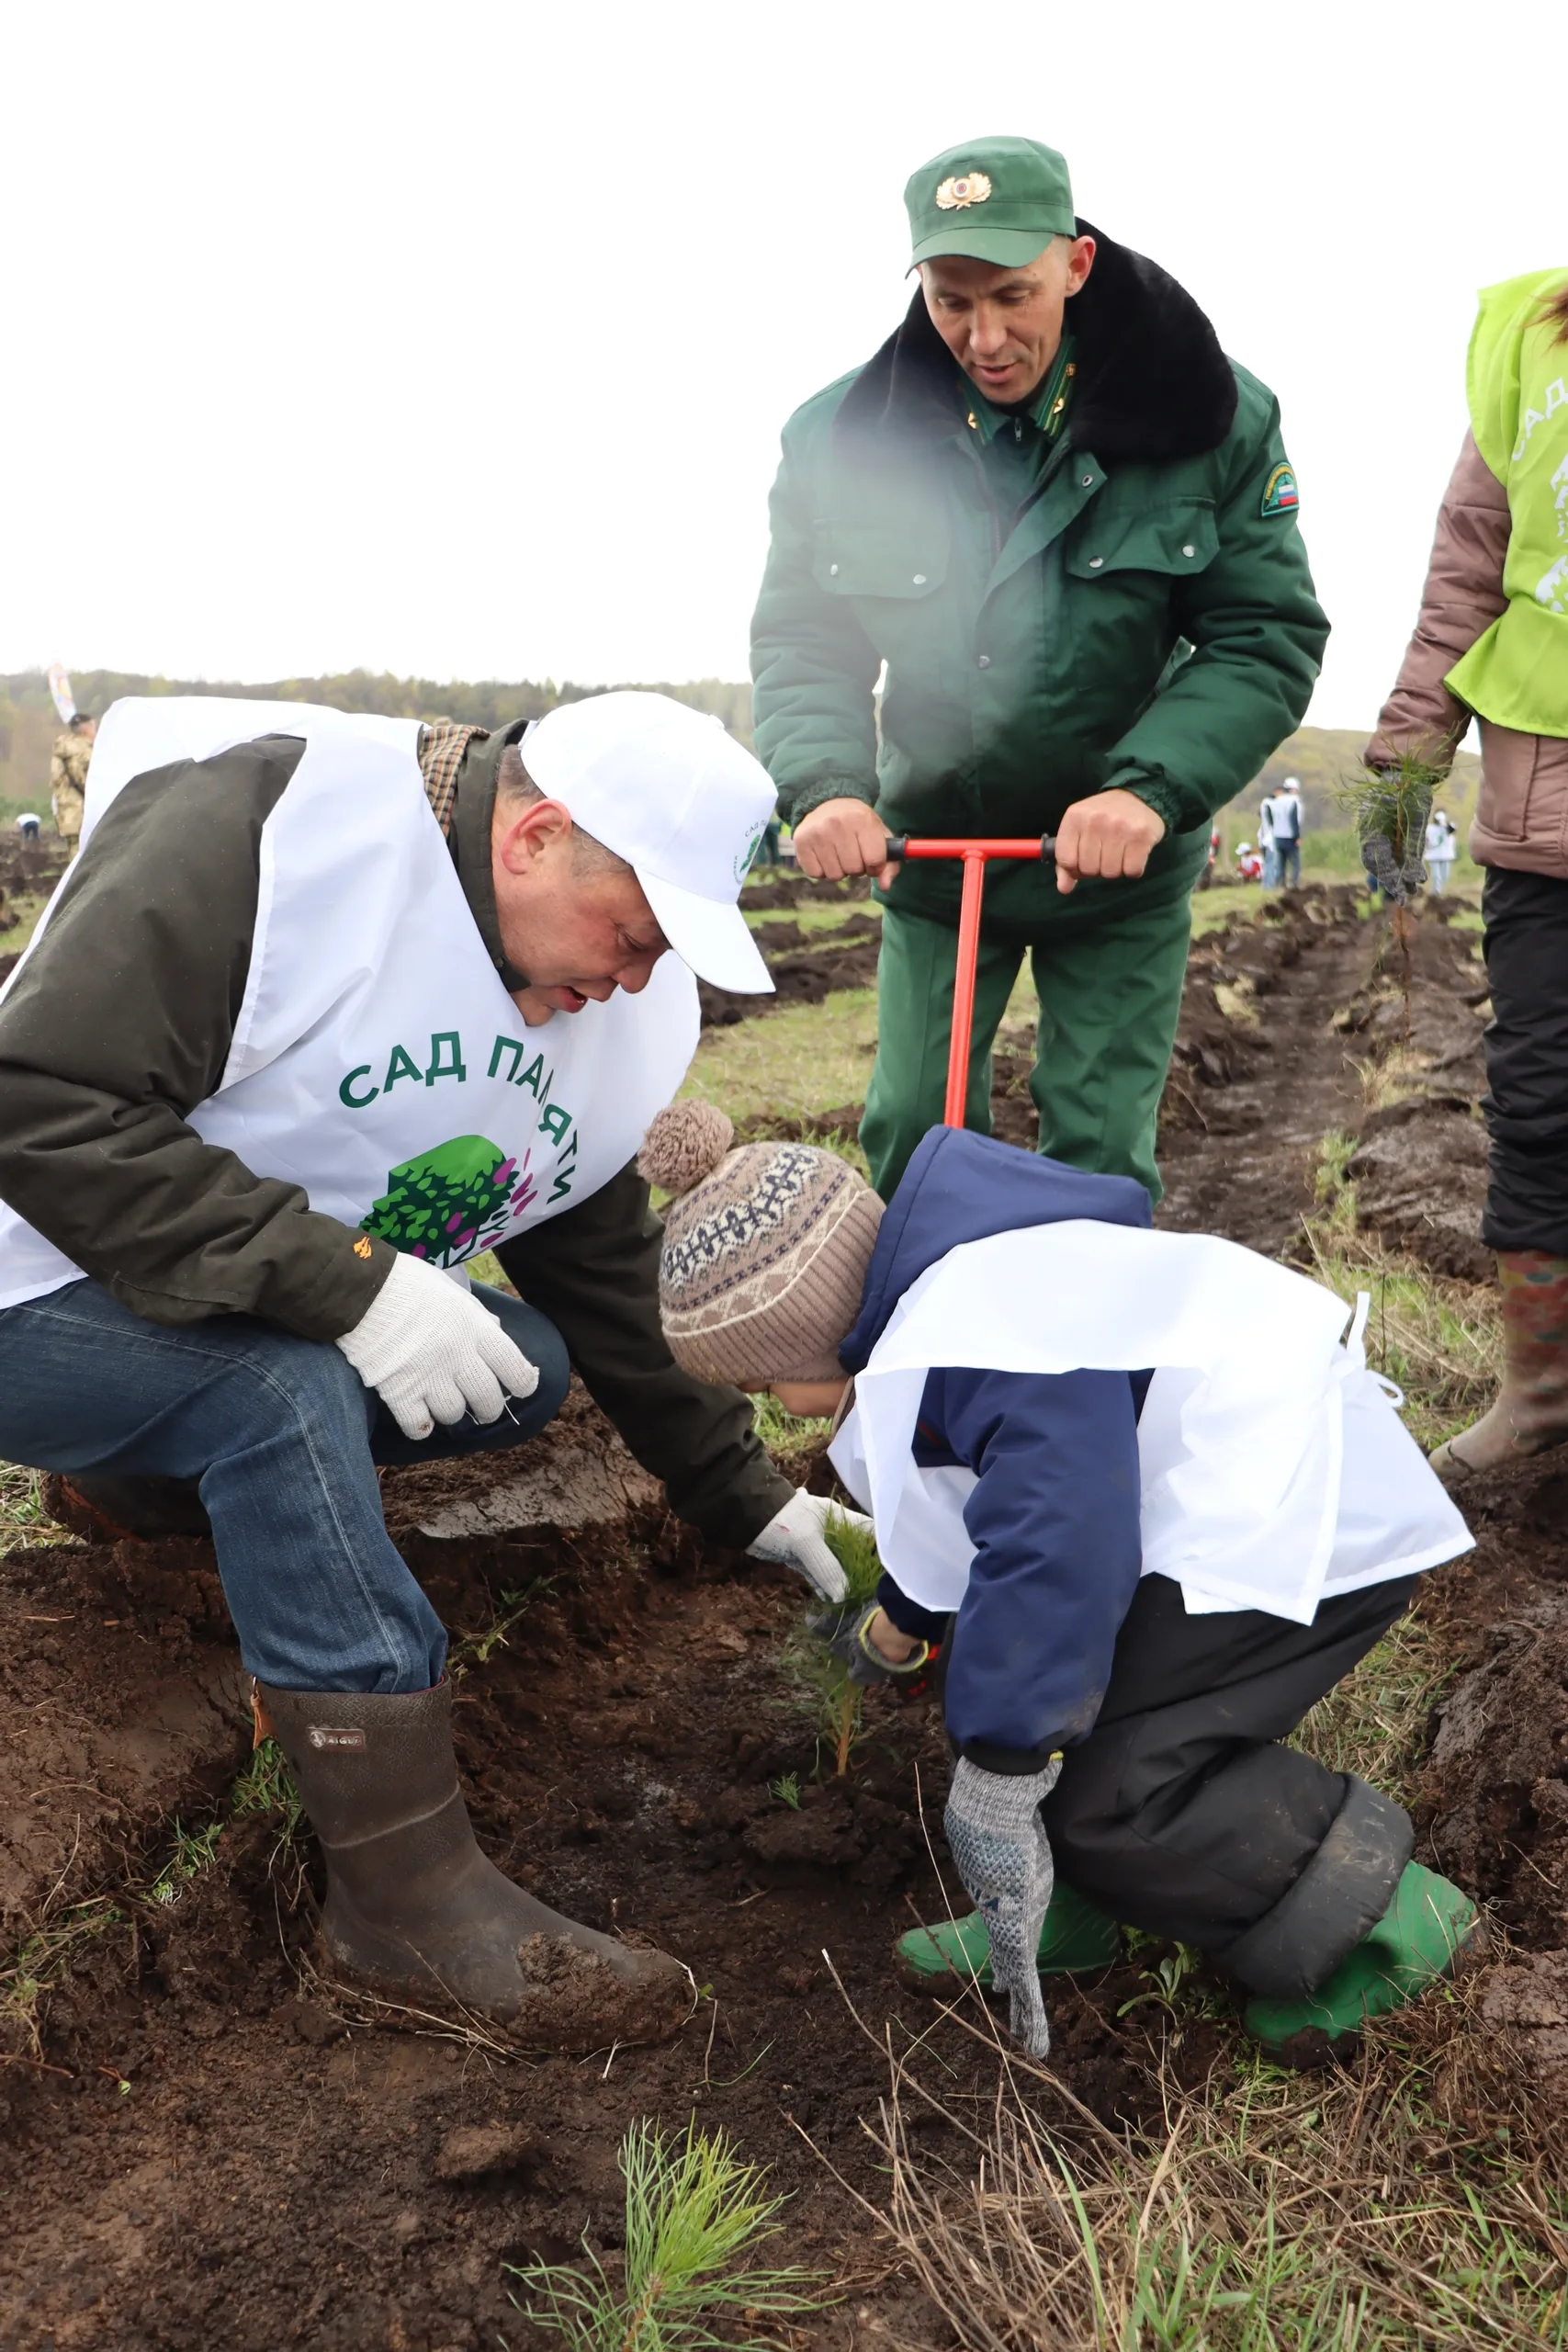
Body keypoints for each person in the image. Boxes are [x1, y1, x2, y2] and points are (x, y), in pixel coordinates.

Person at [0, 690, 859, 2051]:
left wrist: (749, 1500)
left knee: (512, 1365)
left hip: (188, 1286)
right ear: (536, 836)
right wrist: (345, 1286)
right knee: (277, 1391)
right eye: (632, 934)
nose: (635, 978)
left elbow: (596, 1270)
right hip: (25, 1282)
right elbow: (35, 1098)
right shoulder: (267, 835)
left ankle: (136, 1484)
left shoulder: (591, 1004)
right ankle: (403, 1900)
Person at [640, 1103, 1479, 2063]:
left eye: (762, 1385)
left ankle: (1392, 1925)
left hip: (1296, 1527)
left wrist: (1000, 1772)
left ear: (806, 1330)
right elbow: (981, 1513)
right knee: (1022, 1683)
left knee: (1110, 1785)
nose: (774, 1409)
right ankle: (1067, 1914)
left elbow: (1056, 1544)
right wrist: (904, 1623)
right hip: (1219, 1508)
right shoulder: (942, 1305)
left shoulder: (989, 1329)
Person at [751, 135, 1328, 1208]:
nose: (985, 335)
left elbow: (1262, 634)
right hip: (935, 853)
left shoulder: (1207, 414)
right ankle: (926, 1364)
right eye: (951, 298)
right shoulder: (841, 437)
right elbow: (804, 638)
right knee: (915, 1132)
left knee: (1100, 1150)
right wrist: (828, 785)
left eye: (1014, 295)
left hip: (1114, 866)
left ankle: (1080, 1366)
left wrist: (1146, 787)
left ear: (1076, 263)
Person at [1365, 268, 1568, 1474]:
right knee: (1538, 1105)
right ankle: (1539, 1396)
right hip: (1543, 818)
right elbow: (1463, 577)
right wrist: (1399, 769)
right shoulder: (1521, 338)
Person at [48, 712, 95, 856]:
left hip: (66, 808)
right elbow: (86, 781)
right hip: (81, 809)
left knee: (74, 850)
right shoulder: (83, 751)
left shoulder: (61, 750)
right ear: (87, 729)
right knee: (83, 853)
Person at [1271, 776, 1304, 887]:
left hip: (1277, 836)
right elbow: (1293, 819)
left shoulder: (1277, 800)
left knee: (1281, 864)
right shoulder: (1294, 801)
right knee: (1295, 864)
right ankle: (1294, 885)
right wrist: (1297, 836)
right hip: (1290, 837)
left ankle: (1280, 885)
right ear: (1293, 789)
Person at [1425, 809, 1457, 893]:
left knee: (1445, 875)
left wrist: (1444, 824)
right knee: (1435, 875)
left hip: (1445, 855)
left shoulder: (1448, 827)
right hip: (1433, 855)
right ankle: (1435, 890)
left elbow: (1452, 829)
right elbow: (1426, 838)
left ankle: (1441, 890)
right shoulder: (1430, 828)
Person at [1258, 786, 1280, 886]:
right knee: (1271, 863)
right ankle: (1268, 885)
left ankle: (1268, 885)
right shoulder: (1268, 803)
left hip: (1265, 840)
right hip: (1269, 840)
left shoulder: (1265, 804)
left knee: (1269, 863)